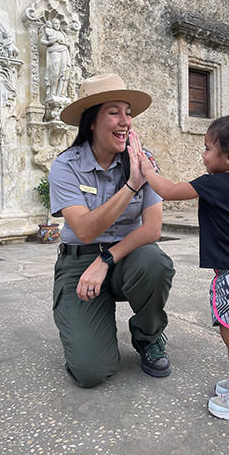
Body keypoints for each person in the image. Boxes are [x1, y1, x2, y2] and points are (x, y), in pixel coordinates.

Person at [133, 114, 229, 421]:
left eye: (206, 148)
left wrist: (147, 170)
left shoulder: (215, 183)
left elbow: (170, 190)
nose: (202, 155)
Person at [48, 73, 175, 388]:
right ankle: (88, 329)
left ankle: (147, 336)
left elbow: (153, 229)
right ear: (92, 121)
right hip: (79, 264)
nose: (126, 121)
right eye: (114, 112)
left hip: (126, 260)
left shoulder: (144, 162)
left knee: (154, 263)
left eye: (128, 113)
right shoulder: (66, 166)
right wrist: (132, 184)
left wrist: (107, 260)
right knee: (91, 372)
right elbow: (86, 231)